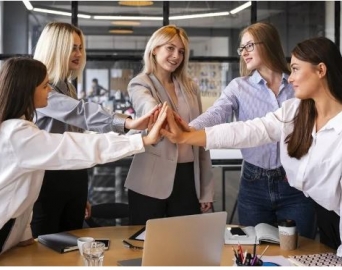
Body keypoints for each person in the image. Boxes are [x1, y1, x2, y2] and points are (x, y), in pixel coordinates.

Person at [162, 36, 342, 255]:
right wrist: (188, 135)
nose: (291, 78)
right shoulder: (294, 111)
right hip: (311, 201)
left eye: (295, 69)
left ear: (321, 70)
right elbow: (249, 130)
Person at [0, 57, 168, 254]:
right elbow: (77, 147)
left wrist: (24, 235)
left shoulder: (18, 128)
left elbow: (20, 194)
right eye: (45, 86)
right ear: (27, 89)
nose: (51, 91)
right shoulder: (17, 134)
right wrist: (142, 141)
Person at [189, 22, 316, 239]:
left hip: (295, 184)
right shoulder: (239, 87)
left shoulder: (298, 85)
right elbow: (216, 113)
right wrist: (188, 129)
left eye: (249, 46)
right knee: (253, 251)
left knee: (299, 249)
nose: (244, 53)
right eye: (242, 48)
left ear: (267, 44)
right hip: (253, 183)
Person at [31, 22, 159, 237]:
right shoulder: (41, 90)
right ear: (55, 48)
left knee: (72, 245)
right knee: (45, 247)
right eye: (72, 47)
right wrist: (126, 123)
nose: (78, 53)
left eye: (81, 48)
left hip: (73, 175)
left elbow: (77, 135)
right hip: (47, 179)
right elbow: (80, 112)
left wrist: (83, 194)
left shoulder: (68, 86)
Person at [124, 25, 214, 225]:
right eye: (170, 48)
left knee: (184, 245)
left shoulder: (190, 87)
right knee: (144, 245)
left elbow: (199, 137)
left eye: (181, 52)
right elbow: (147, 106)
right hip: (150, 178)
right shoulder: (140, 83)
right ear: (154, 49)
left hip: (187, 177)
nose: (176, 56)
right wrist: (156, 112)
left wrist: (206, 190)